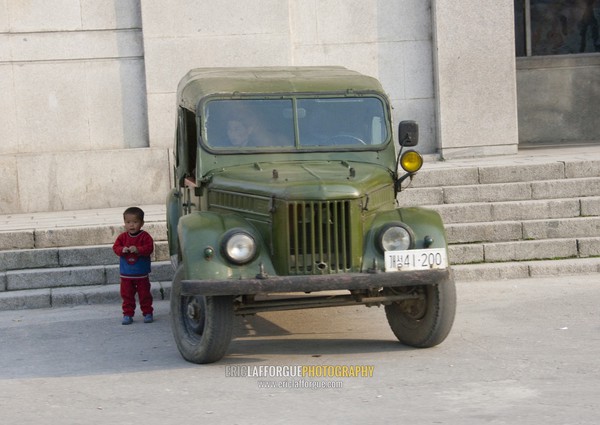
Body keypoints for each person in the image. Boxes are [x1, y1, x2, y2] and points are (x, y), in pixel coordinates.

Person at [112, 206, 155, 325]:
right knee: (127, 296)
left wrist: (138, 250)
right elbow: (115, 248)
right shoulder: (122, 237)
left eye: (135, 222)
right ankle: (127, 314)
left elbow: (149, 248)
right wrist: (122, 250)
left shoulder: (145, 236)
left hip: (141, 274)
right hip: (126, 274)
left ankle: (147, 312)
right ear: (124, 223)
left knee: (145, 295)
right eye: (128, 222)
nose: (131, 225)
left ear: (142, 223)